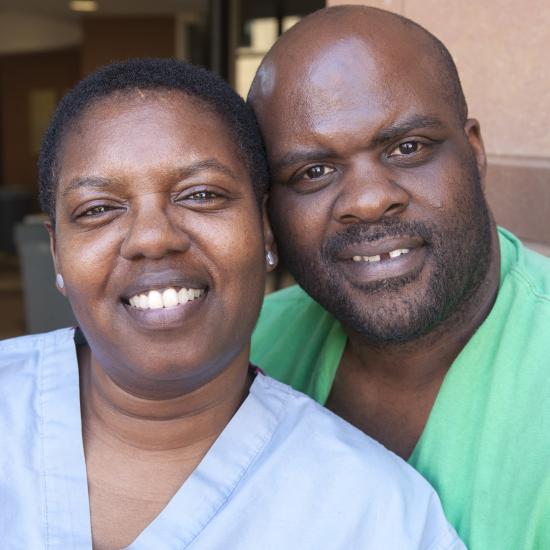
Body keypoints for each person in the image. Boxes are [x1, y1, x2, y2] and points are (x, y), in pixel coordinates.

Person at [0, 59, 463, 549]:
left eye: (200, 195)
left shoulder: (380, 515)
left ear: (265, 227)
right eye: (97, 209)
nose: (153, 238)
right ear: (57, 252)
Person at [249, 5, 550, 550]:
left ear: (474, 153)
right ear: (269, 211)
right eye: (312, 172)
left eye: (407, 148)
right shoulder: (244, 353)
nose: (367, 201)